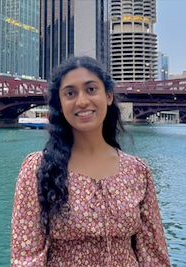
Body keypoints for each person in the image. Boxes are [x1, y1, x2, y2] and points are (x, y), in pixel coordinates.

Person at [11, 56, 170, 267]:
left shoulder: (137, 171)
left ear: (109, 96)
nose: (82, 101)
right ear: (60, 103)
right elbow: (26, 258)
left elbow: (153, 254)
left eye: (91, 89)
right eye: (70, 93)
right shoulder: (37, 168)